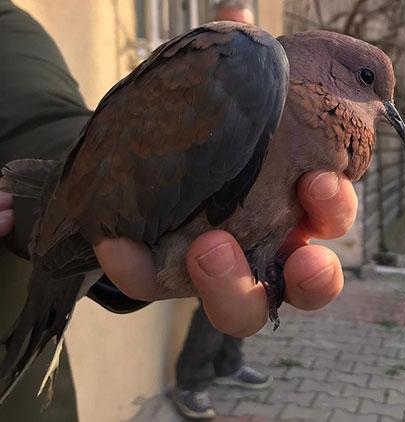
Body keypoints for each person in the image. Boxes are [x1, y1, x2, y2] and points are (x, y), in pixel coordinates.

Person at [0, 0, 354, 418]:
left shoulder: (7, 26)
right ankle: (197, 377)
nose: (235, 44)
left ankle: (220, 365)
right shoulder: (248, 59)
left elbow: (44, 125)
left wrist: (116, 223)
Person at [172, 1, 272, 418]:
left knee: (252, 286)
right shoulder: (188, 74)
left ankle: (231, 364)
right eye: (230, 30)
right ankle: (191, 382)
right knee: (215, 294)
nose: (240, 42)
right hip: (208, 207)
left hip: (251, 206)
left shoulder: (268, 78)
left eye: (248, 32)